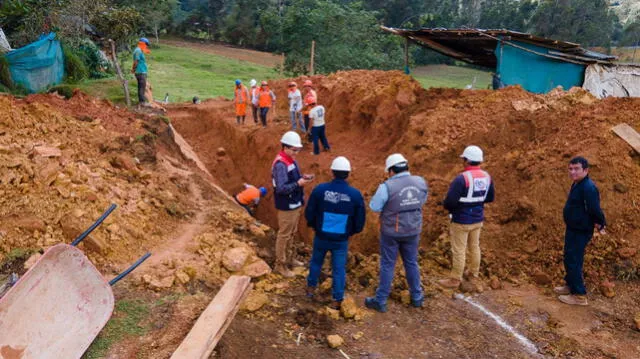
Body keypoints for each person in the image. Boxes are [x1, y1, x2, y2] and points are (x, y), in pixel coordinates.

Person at [365, 154, 428, 313]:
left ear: (391, 170)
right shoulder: (420, 182)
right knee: (411, 262)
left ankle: (380, 300)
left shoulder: (387, 186)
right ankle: (417, 297)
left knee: (387, 264)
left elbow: (374, 206)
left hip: (392, 231)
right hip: (413, 230)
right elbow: (423, 200)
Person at [305, 156, 366, 309]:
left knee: (316, 262)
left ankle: (310, 289)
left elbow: (309, 212)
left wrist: (313, 226)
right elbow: (359, 220)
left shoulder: (320, 190)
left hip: (321, 236)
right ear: (348, 174)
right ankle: (337, 298)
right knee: (339, 268)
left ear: (332, 172)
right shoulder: (354, 195)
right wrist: (351, 232)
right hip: (340, 240)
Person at [438, 145, 495, 290]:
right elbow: (490, 198)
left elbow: (450, 202)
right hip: (477, 219)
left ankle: (455, 279)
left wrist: (451, 208)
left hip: (461, 220)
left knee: (459, 249)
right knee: (474, 247)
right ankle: (473, 273)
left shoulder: (461, 179)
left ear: (467, 160)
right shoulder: (487, 177)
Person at [554, 156, 606, 306]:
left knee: (574, 260)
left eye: (576, 169)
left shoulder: (588, 187)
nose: (572, 172)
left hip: (581, 230)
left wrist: (601, 223)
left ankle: (579, 295)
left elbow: (595, 209)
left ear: (586, 170)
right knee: (570, 257)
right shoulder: (577, 184)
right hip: (573, 228)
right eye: (570, 169)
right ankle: (570, 285)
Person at [272, 131, 313, 277]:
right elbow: (282, 188)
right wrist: (298, 183)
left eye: (298, 150)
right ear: (285, 147)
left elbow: (293, 179)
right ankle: (280, 264)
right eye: (294, 150)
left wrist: (302, 178)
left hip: (295, 203)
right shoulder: (280, 164)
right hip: (286, 205)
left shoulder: (291, 160)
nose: (296, 153)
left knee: (292, 233)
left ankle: (290, 258)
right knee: (284, 234)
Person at [131, 38, 151, 104]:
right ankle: (142, 102)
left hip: (141, 71)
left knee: (141, 87)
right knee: (142, 88)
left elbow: (143, 51)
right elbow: (136, 61)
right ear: (142, 43)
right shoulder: (138, 50)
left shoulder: (139, 50)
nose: (146, 46)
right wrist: (133, 69)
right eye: (146, 44)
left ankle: (142, 102)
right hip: (140, 72)